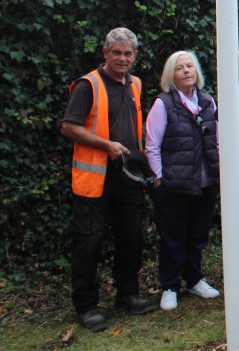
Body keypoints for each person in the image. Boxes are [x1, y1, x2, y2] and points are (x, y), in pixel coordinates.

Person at [62, 27, 159, 331]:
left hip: (128, 176)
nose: (122, 58)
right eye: (116, 52)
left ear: (135, 56)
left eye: (127, 53)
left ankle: (128, 295)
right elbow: (69, 127)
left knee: (131, 237)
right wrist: (106, 145)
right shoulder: (87, 85)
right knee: (88, 242)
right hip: (94, 179)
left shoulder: (135, 84)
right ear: (105, 53)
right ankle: (87, 306)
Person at [145, 51, 221, 311]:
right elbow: (152, 145)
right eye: (180, 68)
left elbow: (218, 139)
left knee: (197, 235)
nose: (187, 70)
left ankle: (195, 279)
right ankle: (169, 285)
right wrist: (158, 179)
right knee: (173, 237)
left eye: (190, 66)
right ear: (171, 75)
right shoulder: (163, 104)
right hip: (174, 185)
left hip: (204, 183)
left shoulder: (208, 102)